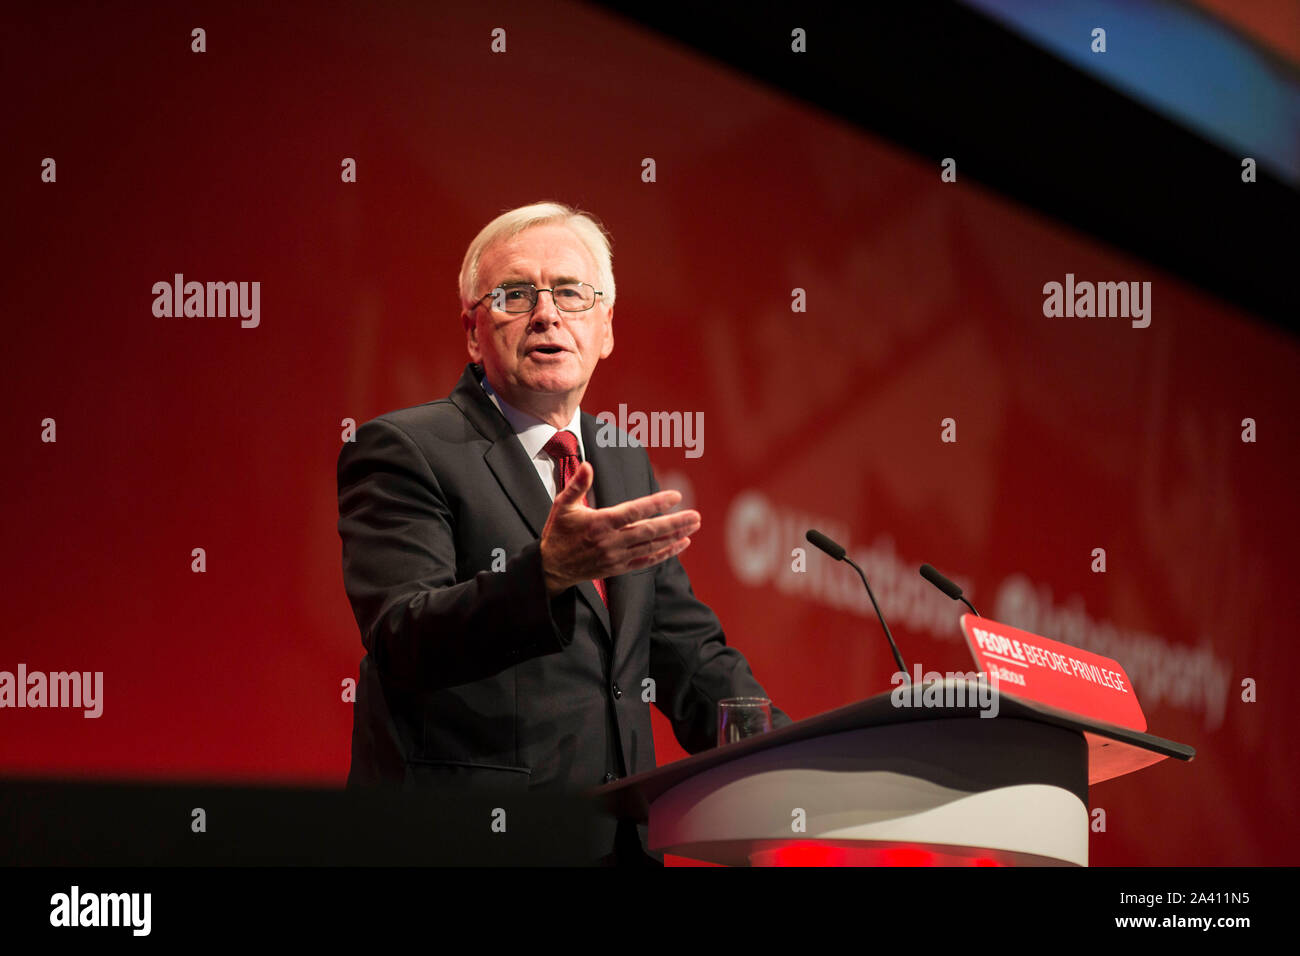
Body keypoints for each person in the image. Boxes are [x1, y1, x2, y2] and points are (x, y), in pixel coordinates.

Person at [337, 201, 791, 865]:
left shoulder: (621, 459)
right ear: (473, 331)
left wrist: (776, 751)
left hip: (620, 848)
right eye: (516, 294)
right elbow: (404, 638)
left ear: (606, 328)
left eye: (572, 293)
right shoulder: (406, 449)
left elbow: (680, 647)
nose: (547, 313)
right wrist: (544, 574)